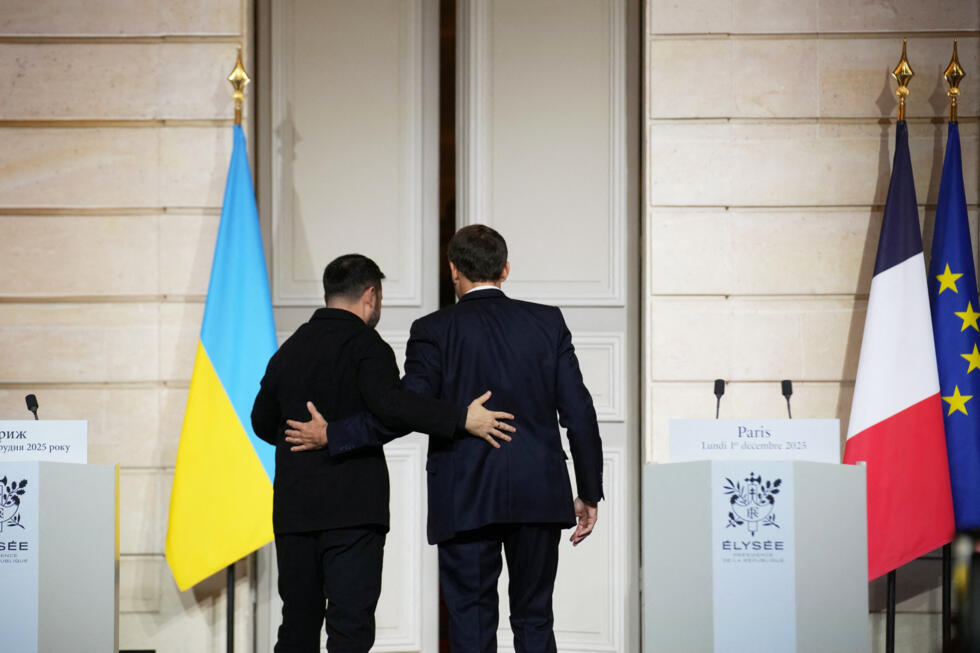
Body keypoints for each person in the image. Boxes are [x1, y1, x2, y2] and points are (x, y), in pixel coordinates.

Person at [314, 225, 604, 652]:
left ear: (453, 271)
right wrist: (589, 491)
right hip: (538, 493)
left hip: (465, 495)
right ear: (505, 269)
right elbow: (579, 412)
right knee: (535, 618)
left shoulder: (433, 329)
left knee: (470, 622)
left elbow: (403, 409)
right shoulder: (547, 322)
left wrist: (334, 433)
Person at [250, 253, 515, 653]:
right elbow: (396, 408)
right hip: (354, 512)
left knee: (296, 625)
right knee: (350, 627)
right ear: (371, 295)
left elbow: (260, 421)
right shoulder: (366, 346)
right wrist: (462, 417)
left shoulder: (289, 350)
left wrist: (305, 440)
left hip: (294, 512)